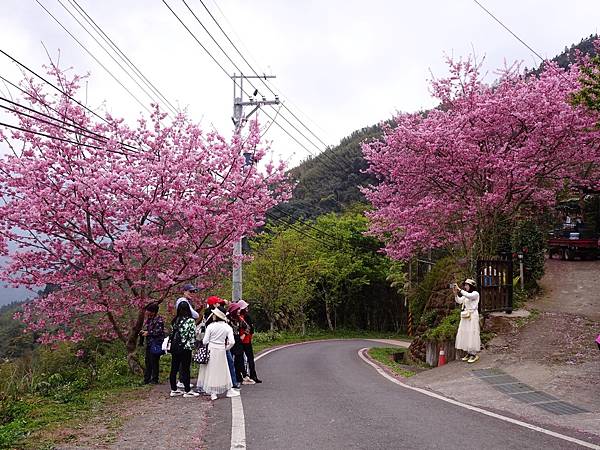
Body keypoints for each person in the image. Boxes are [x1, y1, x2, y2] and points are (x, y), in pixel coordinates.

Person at [198, 307, 240, 400]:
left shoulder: (210, 326)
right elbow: (232, 342)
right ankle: (229, 389)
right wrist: (226, 348)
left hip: (211, 349)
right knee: (224, 370)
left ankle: (213, 393)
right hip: (221, 350)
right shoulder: (227, 327)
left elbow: (205, 341)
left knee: (212, 370)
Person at [169, 301, 199, 398]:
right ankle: (187, 390)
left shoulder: (175, 320)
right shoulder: (190, 321)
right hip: (186, 347)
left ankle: (174, 389)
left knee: (174, 368)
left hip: (175, 347)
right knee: (185, 369)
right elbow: (192, 335)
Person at [453, 278, 481, 364]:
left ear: (471, 286)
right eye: (465, 285)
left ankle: (474, 354)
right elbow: (459, 301)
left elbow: (469, 296)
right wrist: (455, 294)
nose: (465, 286)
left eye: (466, 285)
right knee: (466, 333)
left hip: (472, 315)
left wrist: (459, 289)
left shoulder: (475, 294)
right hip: (466, 316)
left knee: (472, 333)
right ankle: (469, 353)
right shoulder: (466, 294)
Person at [238, 300, 261, 383]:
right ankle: (253, 375)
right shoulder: (246, 317)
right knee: (250, 358)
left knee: (240, 359)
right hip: (246, 340)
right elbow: (250, 328)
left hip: (240, 340)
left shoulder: (237, 316)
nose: (247, 308)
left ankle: (243, 375)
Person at [141, 303, 164, 385]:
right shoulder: (149, 319)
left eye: (149, 311)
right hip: (149, 343)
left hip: (156, 344)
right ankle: (146, 379)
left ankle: (154, 379)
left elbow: (159, 331)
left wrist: (148, 333)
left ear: (153, 312)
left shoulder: (159, 320)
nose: (147, 313)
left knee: (154, 362)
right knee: (147, 361)